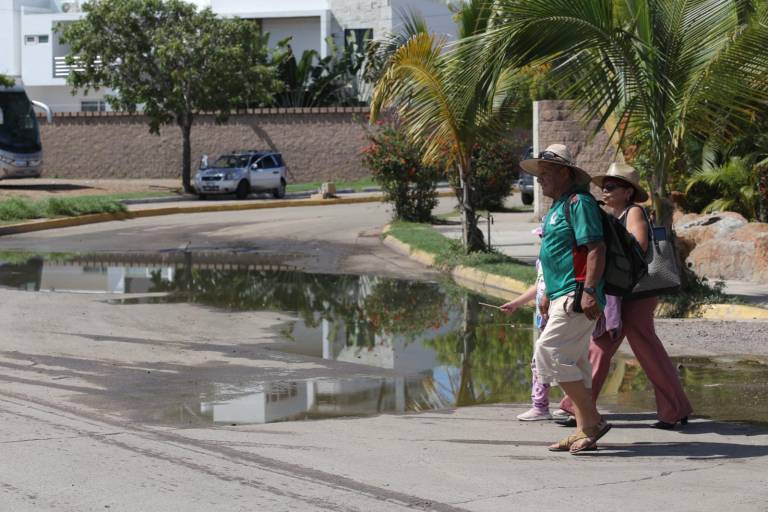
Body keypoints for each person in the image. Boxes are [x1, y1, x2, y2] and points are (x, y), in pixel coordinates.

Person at [558, 163, 693, 429]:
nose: (604, 192)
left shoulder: (634, 213)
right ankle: (577, 406)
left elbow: (639, 248)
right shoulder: (617, 215)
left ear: (628, 192)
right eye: (603, 187)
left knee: (640, 349)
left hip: (636, 294)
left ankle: (673, 409)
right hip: (620, 294)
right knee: (604, 345)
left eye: (611, 187)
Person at [519, 144, 611, 453]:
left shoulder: (579, 203)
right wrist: (546, 293)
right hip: (560, 294)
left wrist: (587, 291)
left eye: (546, 173)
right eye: (539, 174)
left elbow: (596, 248)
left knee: (548, 352)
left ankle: (593, 420)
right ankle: (584, 430)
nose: (540, 180)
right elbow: (554, 255)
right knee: (574, 360)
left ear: (565, 173)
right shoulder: (558, 206)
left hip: (576, 295)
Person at [501, 227, 558, 421]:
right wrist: (516, 303)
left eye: (545, 236)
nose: (542, 240)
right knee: (545, 359)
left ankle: (541, 406)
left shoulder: (559, 258)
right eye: (541, 237)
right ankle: (546, 404)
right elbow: (538, 286)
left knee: (544, 360)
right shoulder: (542, 260)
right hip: (543, 318)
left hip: (556, 315)